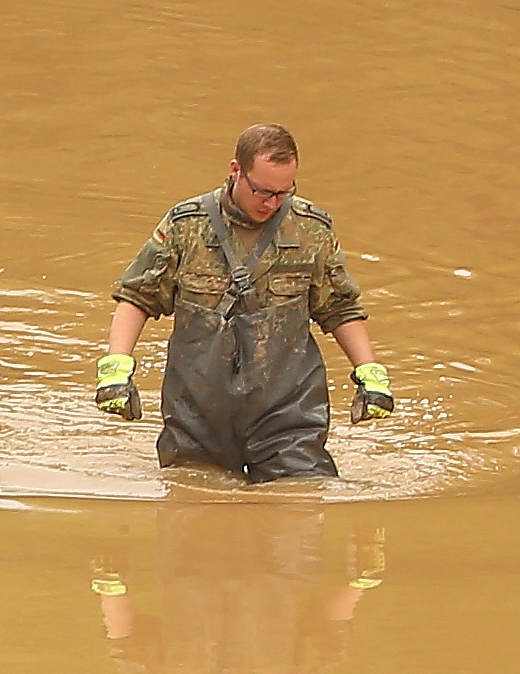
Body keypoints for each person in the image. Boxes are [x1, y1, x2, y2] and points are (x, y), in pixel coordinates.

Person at [100, 124, 387, 482]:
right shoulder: (186, 226)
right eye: (263, 191)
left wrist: (371, 375)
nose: (273, 203)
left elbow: (340, 307)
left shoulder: (311, 229)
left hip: (287, 413)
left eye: (285, 192)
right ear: (236, 171)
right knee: (193, 504)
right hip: (197, 415)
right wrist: (116, 368)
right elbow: (137, 297)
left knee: (301, 503)